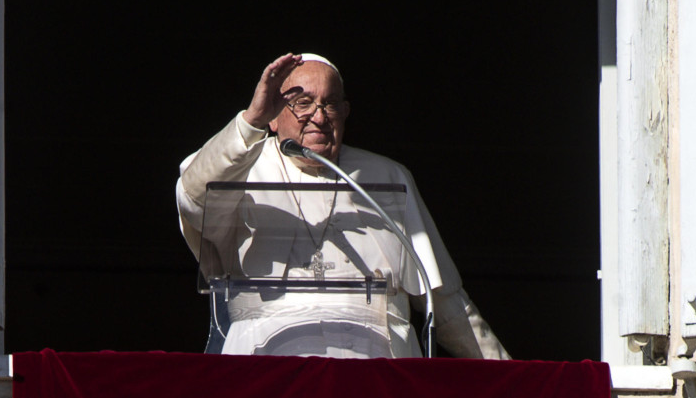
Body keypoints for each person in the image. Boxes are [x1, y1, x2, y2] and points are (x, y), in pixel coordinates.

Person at [176, 53, 509, 360]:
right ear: (274, 115)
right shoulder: (239, 167)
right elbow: (193, 199)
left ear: (345, 112)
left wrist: (509, 375)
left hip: (378, 367)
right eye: (302, 103)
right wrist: (250, 122)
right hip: (267, 360)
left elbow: (444, 300)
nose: (318, 117)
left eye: (330, 104)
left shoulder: (388, 176)